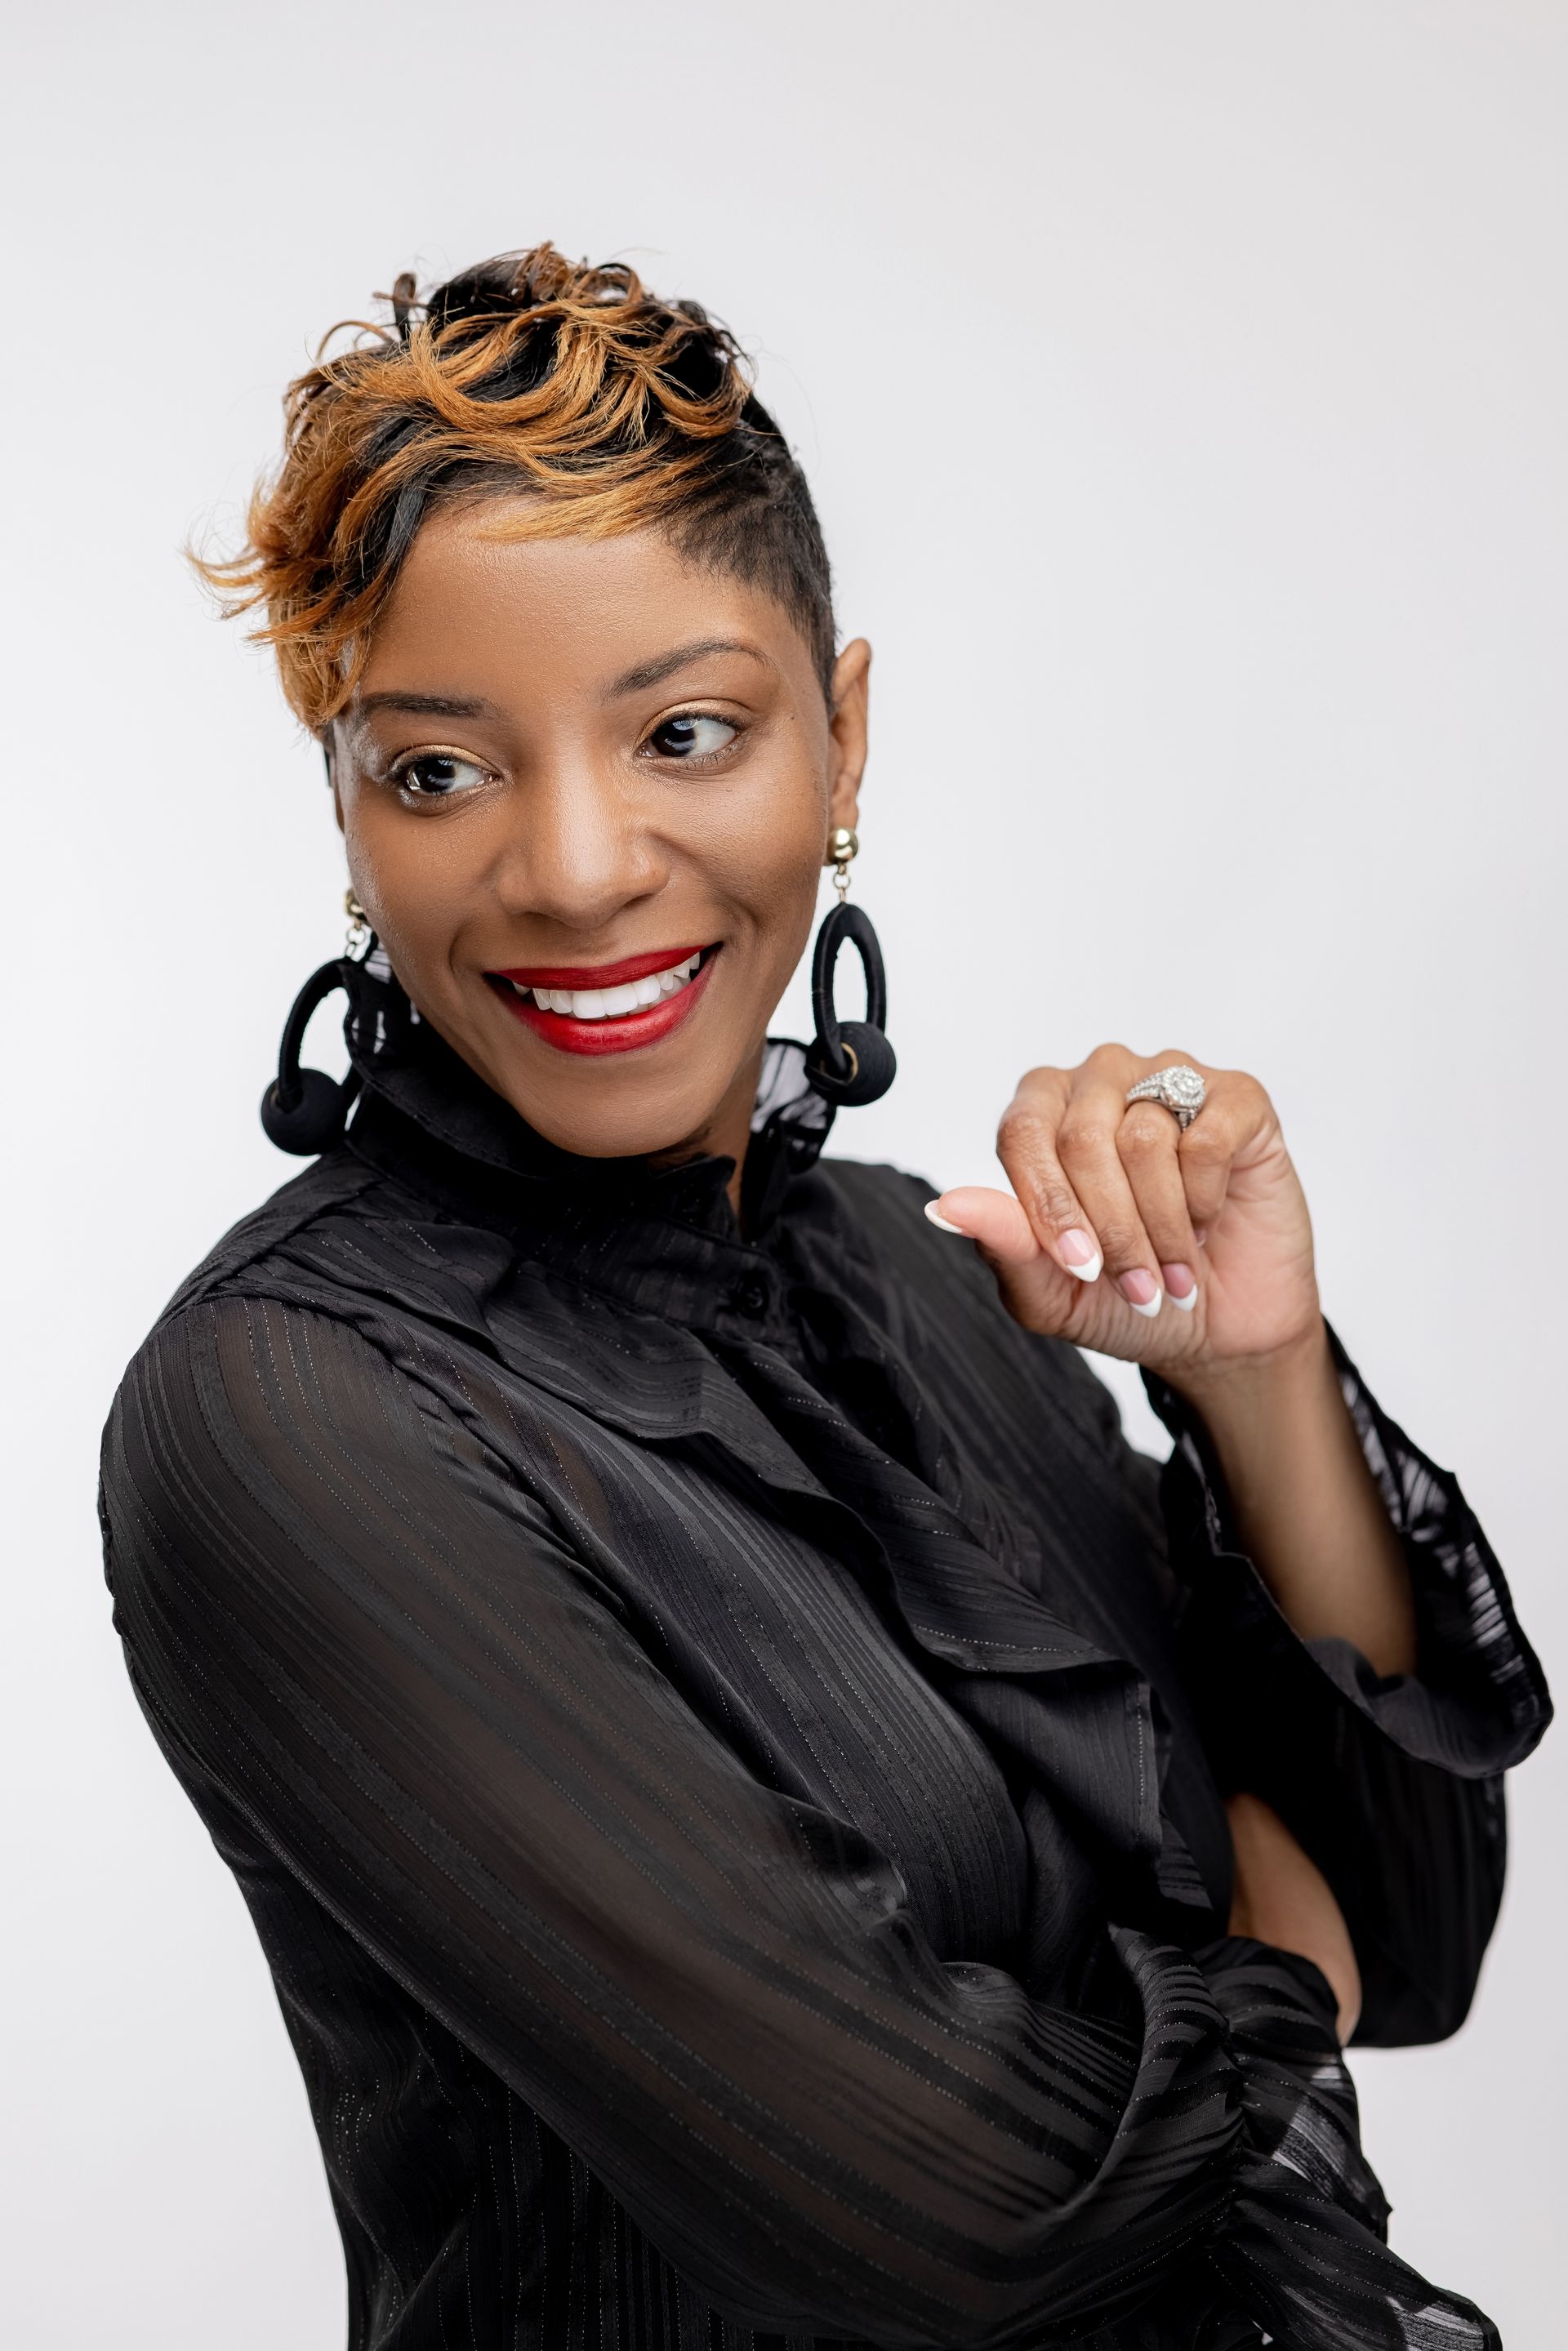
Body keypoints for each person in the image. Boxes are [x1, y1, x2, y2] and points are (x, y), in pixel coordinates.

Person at [99, 244, 1549, 2351]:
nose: (582, 865)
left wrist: (1256, 1383)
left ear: (841, 738)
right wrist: (1271, 1950)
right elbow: (957, 2234)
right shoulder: (293, 1415)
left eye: (686, 729)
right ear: (344, 802)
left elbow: (1420, 1936)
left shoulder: (927, 1277)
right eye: (441, 768)